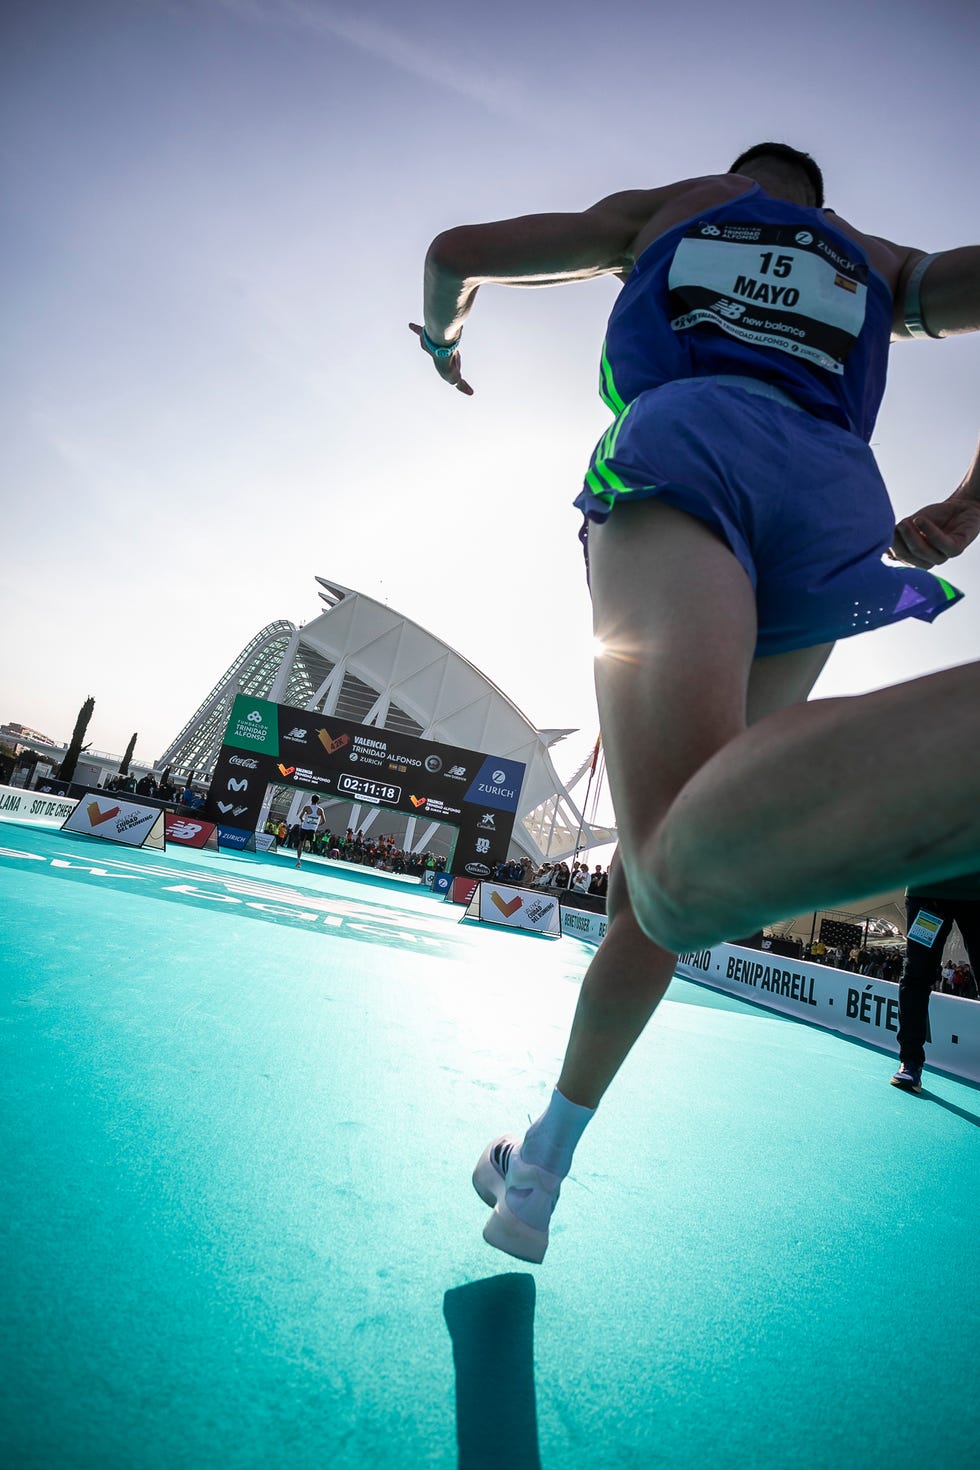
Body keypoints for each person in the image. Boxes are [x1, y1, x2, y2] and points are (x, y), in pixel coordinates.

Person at [413, 142, 980, 1263]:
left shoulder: (666, 208)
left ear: (735, 177)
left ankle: (537, 1172)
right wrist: (967, 501)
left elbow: (455, 254)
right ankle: (535, 1172)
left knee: (676, 869)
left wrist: (442, 333)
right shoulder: (880, 263)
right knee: (655, 879)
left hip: (691, 448)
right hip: (833, 502)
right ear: (823, 201)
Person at [890, 871, 980, 1092]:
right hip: (928, 892)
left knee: (915, 979)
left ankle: (910, 1062)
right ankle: (910, 1062)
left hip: (976, 894)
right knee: (916, 976)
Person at [295, 794, 324, 868]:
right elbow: (324, 821)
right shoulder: (320, 810)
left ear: (311, 799)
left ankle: (298, 861)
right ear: (318, 801)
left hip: (304, 827)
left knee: (300, 844)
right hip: (312, 829)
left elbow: (300, 816)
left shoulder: (307, 807)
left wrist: (302, 820)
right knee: (307, 843)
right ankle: (308, 843)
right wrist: (316, 825)